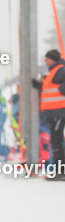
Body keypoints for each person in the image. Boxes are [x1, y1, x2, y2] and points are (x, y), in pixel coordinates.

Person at [33, 49, 65, 179]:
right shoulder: (53, 72)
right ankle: (60, 171)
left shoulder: (60, 69)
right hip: (54, 112)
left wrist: (62, 89)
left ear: (53, 59)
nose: (45, 61)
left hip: (59, 111)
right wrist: (38, 85)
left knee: (56, 142)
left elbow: (58, 88)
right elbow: (50, 89)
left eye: (47, 58)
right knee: (56, 141)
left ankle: (60, 171)